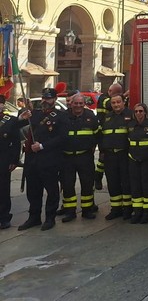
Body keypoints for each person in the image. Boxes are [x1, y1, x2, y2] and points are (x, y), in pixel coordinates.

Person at [17, 87, 69, 231]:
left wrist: (43, 146)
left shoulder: (60, 116)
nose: (45, 101)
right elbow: (18, 126)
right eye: (43, 98)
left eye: (48, 98)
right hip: (32, 159)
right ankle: (34, 217)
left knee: (51, 190)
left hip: (49, 159)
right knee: (33, 190)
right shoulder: (34, 114)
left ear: (55, 99)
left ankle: (50, 218)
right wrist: (22, 117)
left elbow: (63, 137)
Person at [60, 94, 99, 222]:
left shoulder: (90, 116)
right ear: (71, 104)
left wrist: (93, 147)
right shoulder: (63, 116)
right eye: (75, 103)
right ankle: (70, 211)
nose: (78, 106)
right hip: (67, 157)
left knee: (87, 183)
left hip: (85, 156)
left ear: (84, 104)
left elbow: (96, 134)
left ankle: (87, 210)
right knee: (67, 184)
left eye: (80, 103)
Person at [100, 93, 133, 221]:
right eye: (113, 103)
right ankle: (116, 209)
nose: (116, 105)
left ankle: (128, 209)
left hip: (124, 154)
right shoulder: (107, 117)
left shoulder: (131, 115)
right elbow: (102, 135)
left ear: (123, 102)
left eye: (118, 102)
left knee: (126, 182)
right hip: (110, 155)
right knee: (112, 182)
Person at [128, 103, 148, 224]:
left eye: (141, 111)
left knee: (147, 187)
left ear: (145, 112)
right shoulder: (130, 125)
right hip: (134, 160)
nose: (138, 113)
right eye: (136, 111)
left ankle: (147, 213)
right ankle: (137, 212)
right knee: (135, 187)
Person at [95, 83, 124, 190]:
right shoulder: (103, 98)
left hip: (110, 130)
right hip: (103, 132)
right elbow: (110, 104)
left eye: (118, 94)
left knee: (104, 158)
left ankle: (98, 176)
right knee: (103, 156)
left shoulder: (108, 97)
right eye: (115, 94)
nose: (116, 96)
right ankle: (97, 177)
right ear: (110, 91)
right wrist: (124, 96)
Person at [0, 95, 21, 229]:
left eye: (0, 103)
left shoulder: (10, 121)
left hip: (3, 159)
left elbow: (16, 143)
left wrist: (14, 160)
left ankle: (4, 217)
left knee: (3, 190)